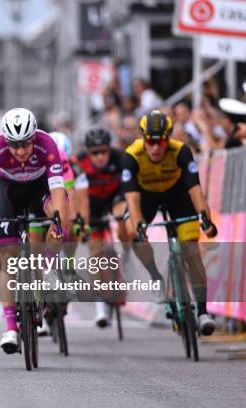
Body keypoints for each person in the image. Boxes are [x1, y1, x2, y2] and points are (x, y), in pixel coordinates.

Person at [0, 108, 69, 353]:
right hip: (9, 194)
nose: (19, 151)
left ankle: (49, 265)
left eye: (25, 144)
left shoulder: (47, 143)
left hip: (39, 190)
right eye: (14, 145)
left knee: (60, 214)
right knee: (8, 260)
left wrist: (59, 223)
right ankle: (10, 328)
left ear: (34, 137)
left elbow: (58, 190)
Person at [122, 110, 218, 335]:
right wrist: (138, 227)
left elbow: (195, 190)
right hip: (145, 196)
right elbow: (132, 199)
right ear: (143, 138)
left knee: (191, 252)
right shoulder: (131, 156)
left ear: (169, 138)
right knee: (132, 232)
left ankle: (203, 312)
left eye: (161, 141)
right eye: (150, 142)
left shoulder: (181, 151)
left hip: (176, 195)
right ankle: (156, 277)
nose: (156, 148)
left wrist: (206, 218)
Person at [71, 127, 129, 327]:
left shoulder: (120, 158)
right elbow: (78, 197)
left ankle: (127, 251)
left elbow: (130, 187)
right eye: (95, 153)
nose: (100, 157)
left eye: (104, 151)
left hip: (115, 198)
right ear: (88, 152)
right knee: (95, 253)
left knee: (123, 220)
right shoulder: (78, 163)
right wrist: (81, 222)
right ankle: (101, 304)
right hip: (92, 206)